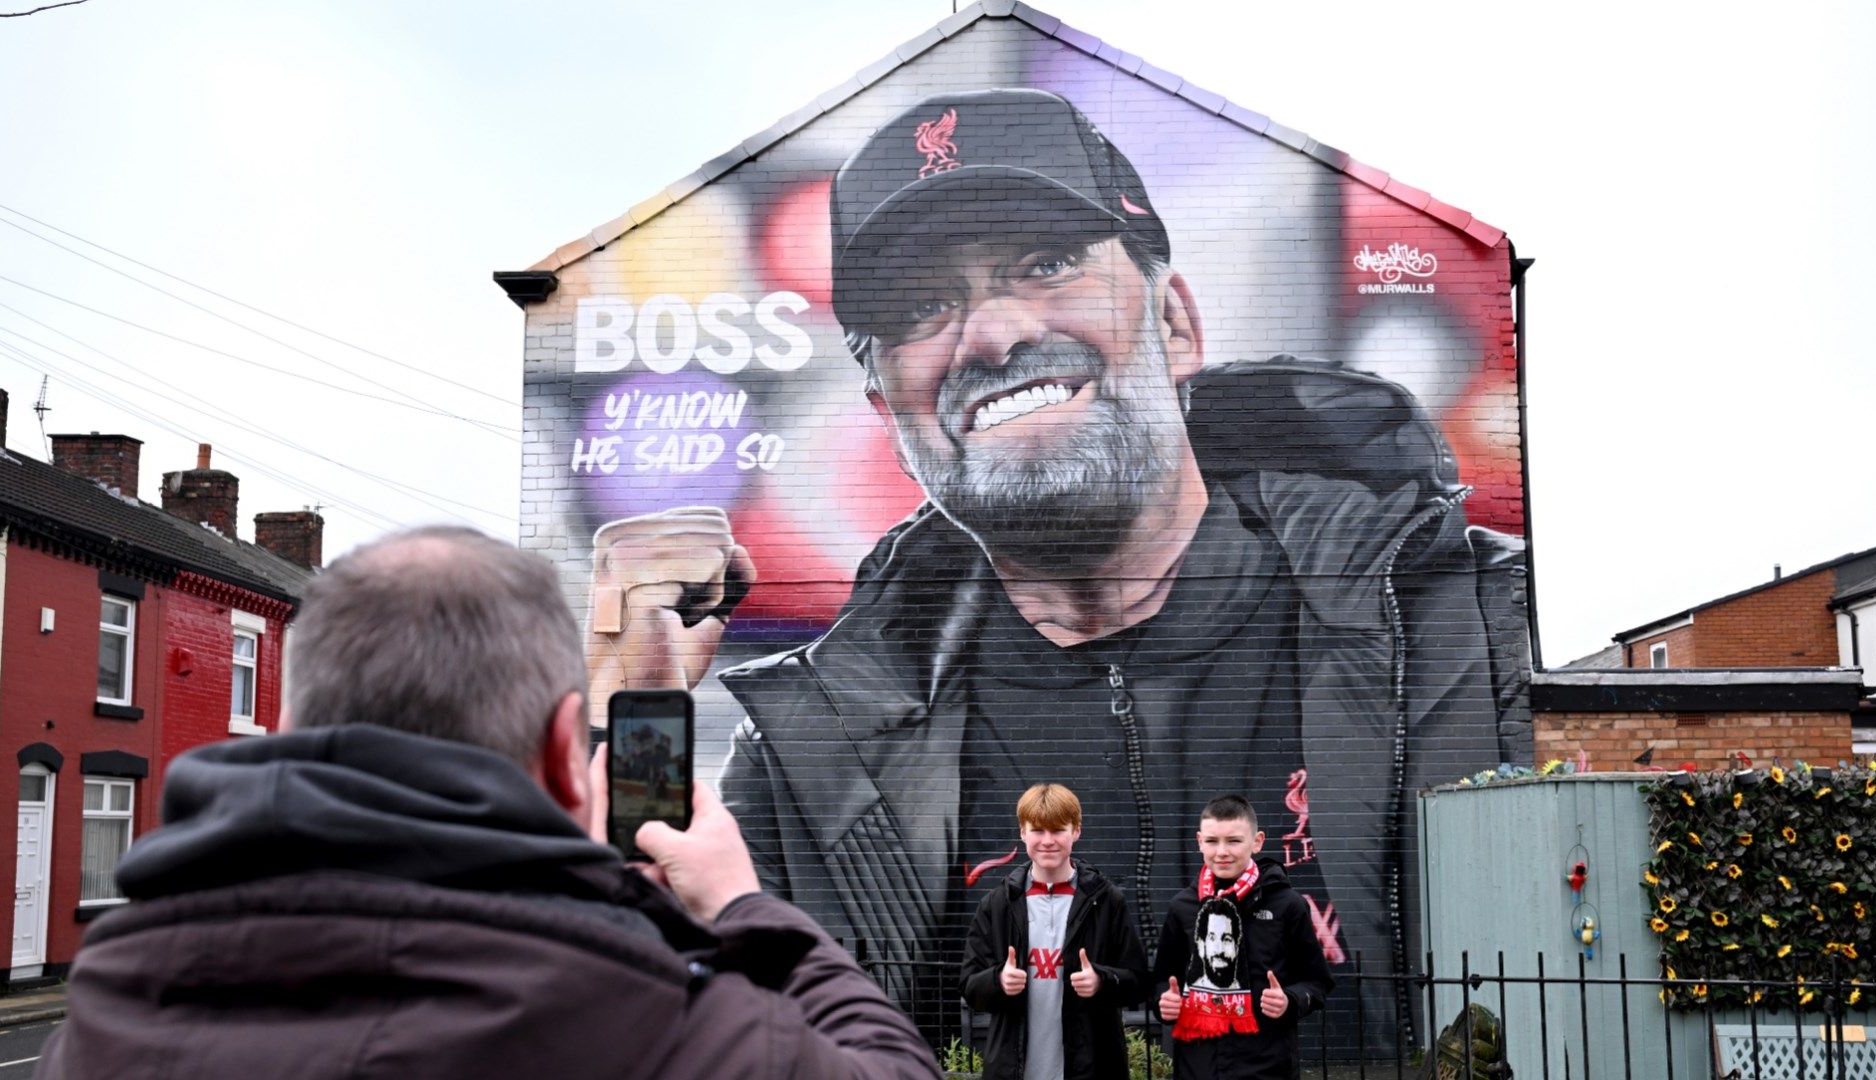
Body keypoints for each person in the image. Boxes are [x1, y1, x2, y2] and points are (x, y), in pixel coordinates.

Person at [585, 87, 1528, 1026]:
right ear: (892, 418)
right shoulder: (813, 752)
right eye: (921, 308)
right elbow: (651, 999)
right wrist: (639, 716)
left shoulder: (1460, 627)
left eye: (1044, 262)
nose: (993, 334)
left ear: (1174, 326)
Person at [37, 526, 939, 1080]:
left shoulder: (102, 1022)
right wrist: (741, 906)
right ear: (563, 752)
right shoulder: (654, 1027)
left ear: (282, 725)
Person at [958, 783, 1148, 1079]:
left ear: (1076, 831)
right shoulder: (997, 904)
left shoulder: (1106, 901)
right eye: (1038, 830)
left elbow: (1137, 981)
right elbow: (970, 987)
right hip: (1015, 1070)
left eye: (1059, 830)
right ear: (1022, 832)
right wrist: (999, 981)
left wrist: (1101, 980)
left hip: (1091, 1067)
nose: (1048, 841)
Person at [1154, 795, 1332, 1080]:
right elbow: (1162, 978)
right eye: (1212, 841)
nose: (1222, 851)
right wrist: (1164, 1001)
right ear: (1199, 841)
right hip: (1196, 1067)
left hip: (1266, 1067)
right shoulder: (1182, 907)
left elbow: (1318, 982)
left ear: (1257, 841)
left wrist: (1289, 1000)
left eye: (1234, 841)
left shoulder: (1287, 905)